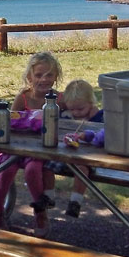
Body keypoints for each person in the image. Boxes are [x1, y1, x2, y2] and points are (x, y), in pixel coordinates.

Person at [0, 51, 65, 238]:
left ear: (56, 76)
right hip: (17, 147)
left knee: (33, 170)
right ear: (29, 77)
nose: (44, 79)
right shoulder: (23, 97)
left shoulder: (59, 99)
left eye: (49, 75)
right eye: (39, 75)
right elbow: (11, 122)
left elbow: (71, 122)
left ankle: (40, 213)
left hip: (40, 151)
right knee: (6, 169)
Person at [47, 79, 104, 219]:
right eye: (72, 109)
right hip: (64, 156)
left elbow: (102, 138)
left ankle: (75, 201)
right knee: (46, 165)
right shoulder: (66, 115)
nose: (76, 113)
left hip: (87, 160)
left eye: (80, 109)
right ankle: (48, 196)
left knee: (82, 169)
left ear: (91, 103)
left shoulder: (99, 118)